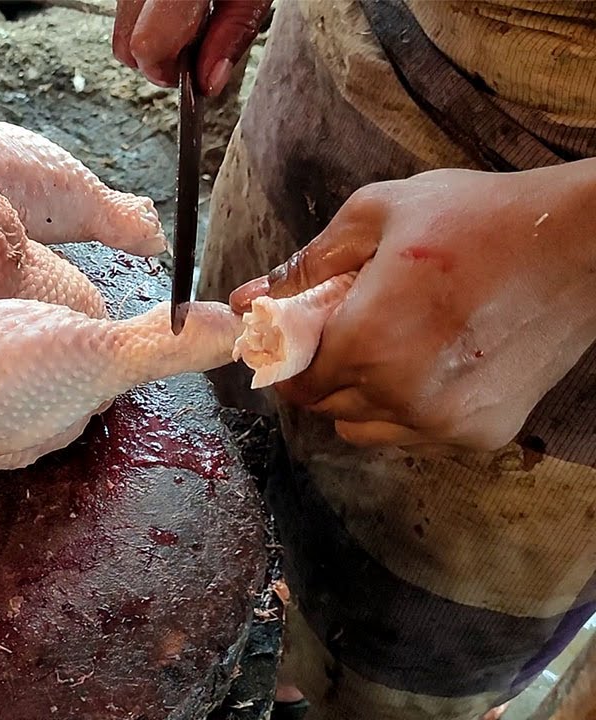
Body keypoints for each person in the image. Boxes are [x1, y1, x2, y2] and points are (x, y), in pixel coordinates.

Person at [111, 1, 596, 719]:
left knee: (390, 670)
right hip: (336, 71)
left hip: (555, 293)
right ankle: (267, 673)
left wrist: (571, 246)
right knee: (226, 471)